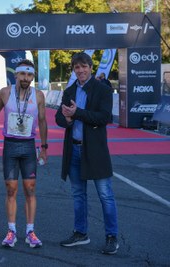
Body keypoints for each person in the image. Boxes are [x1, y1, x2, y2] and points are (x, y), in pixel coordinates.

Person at [55, 52, 119, 255]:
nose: (80, 70)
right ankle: (81, 233)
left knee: (105, 195)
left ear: (91, 67)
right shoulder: (70, 90)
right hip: (73, 149)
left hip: (95, 150)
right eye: (77, 67)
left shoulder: (102, 89)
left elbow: (104, 117)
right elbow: (58, 117)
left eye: (84, 66)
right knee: (78, 195)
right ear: (73, 70)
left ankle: (112, 237)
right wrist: (67, 118)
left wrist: (77, 113)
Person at [0, 59, 48, 248]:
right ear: (16, 74)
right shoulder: (5, 93)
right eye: (22, 74)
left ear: (32, 76)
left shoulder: (39, 95)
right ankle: (11, 231)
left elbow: (42, 121)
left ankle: (30, 231)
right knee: (11, 189)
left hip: (28, 146)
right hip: (10, 145)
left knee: (30, 189)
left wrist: (44, 148)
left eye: (29, 75)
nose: (25, 78)